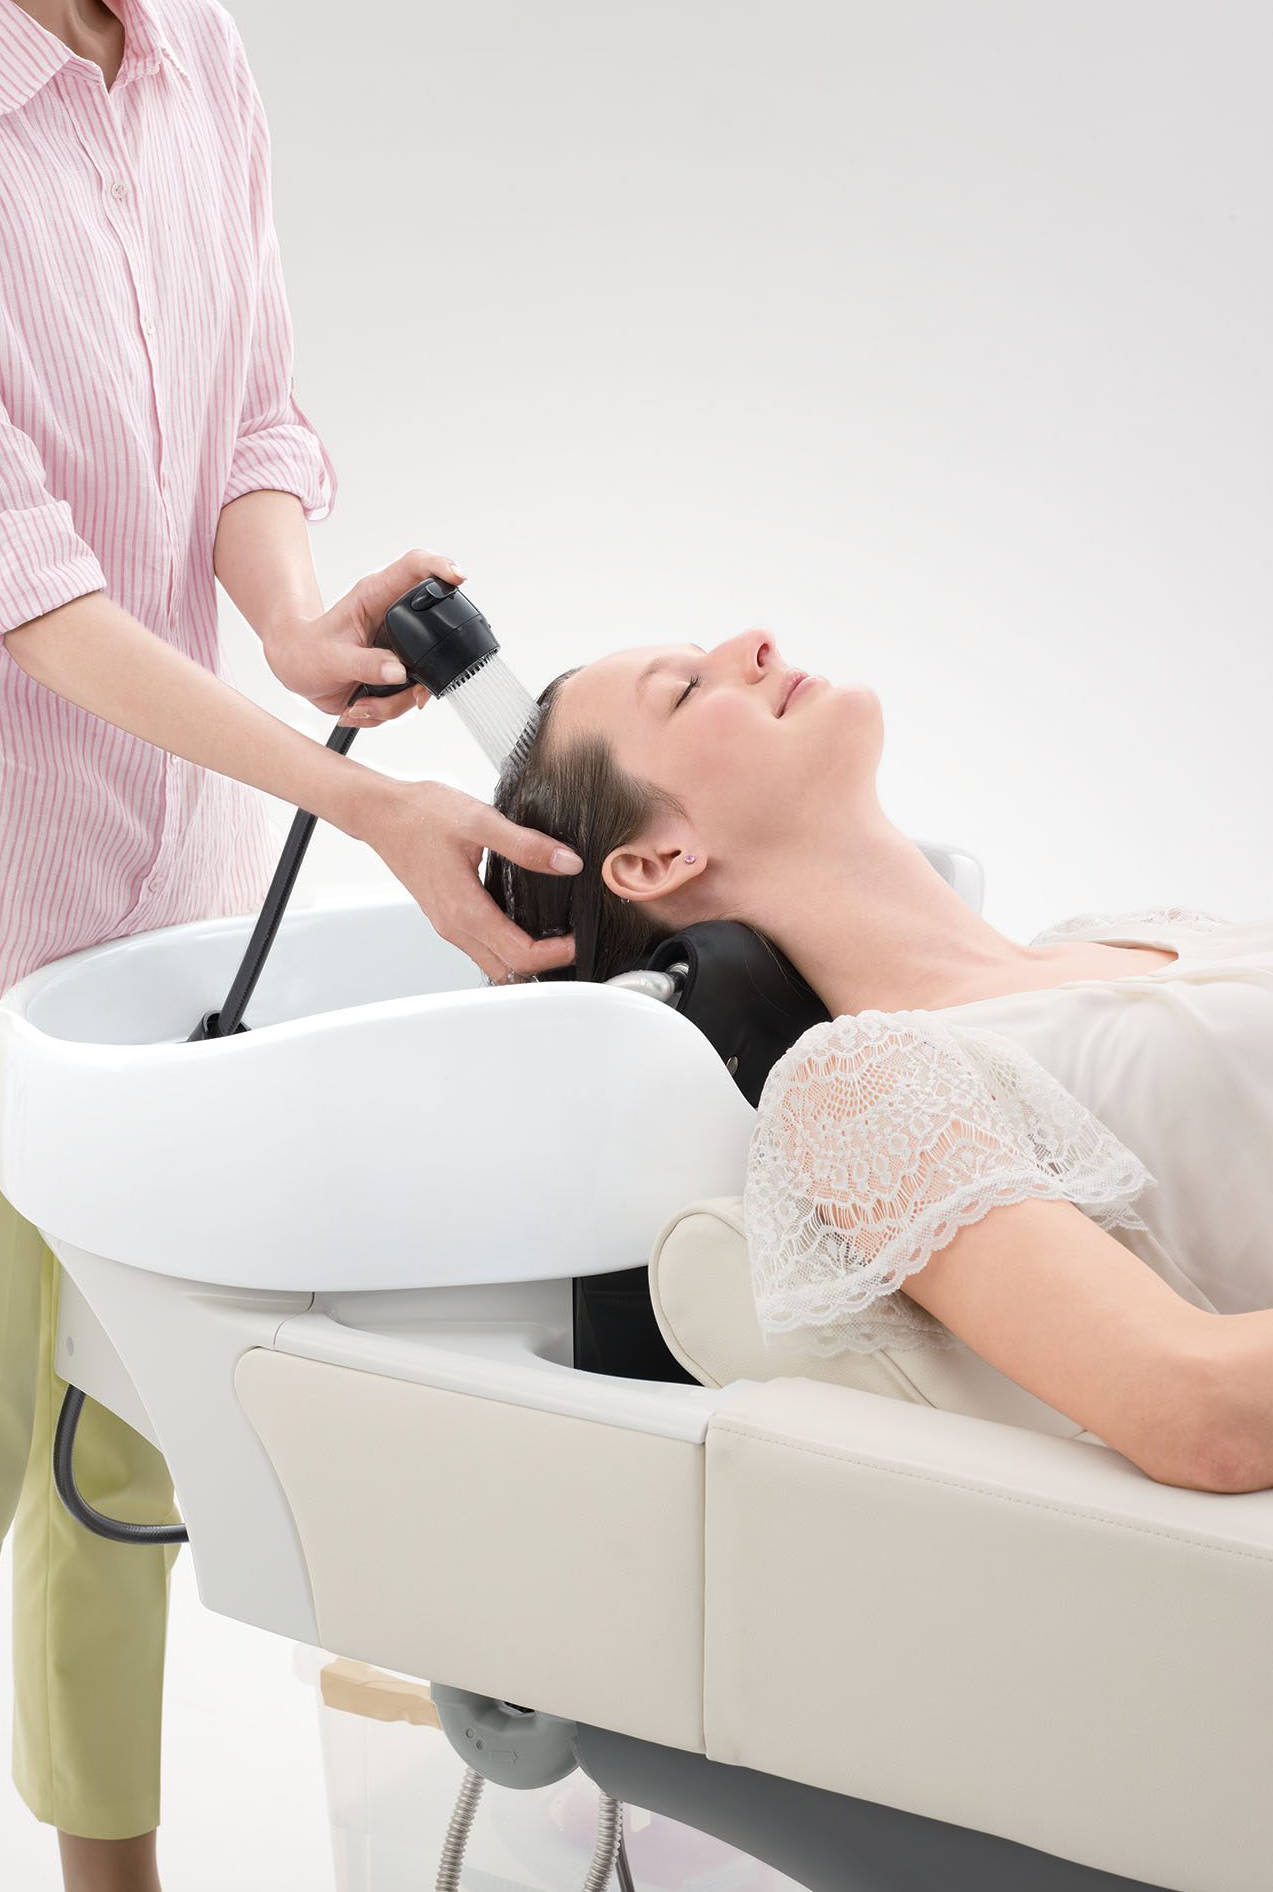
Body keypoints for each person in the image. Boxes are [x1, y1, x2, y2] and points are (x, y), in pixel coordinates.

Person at [0, 0, 581, 1892]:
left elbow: (249, 426)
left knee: (121, 1441)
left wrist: (292, 618)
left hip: (168, 904)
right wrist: (354, 798)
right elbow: (24, 586)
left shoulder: (191, 49)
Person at [481, 625, 1273, 1496]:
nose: (755, 643)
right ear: (658, 860)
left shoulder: (1132, 934)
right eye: (686, 690)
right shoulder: (862, 1089)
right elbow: (1199, 1409)